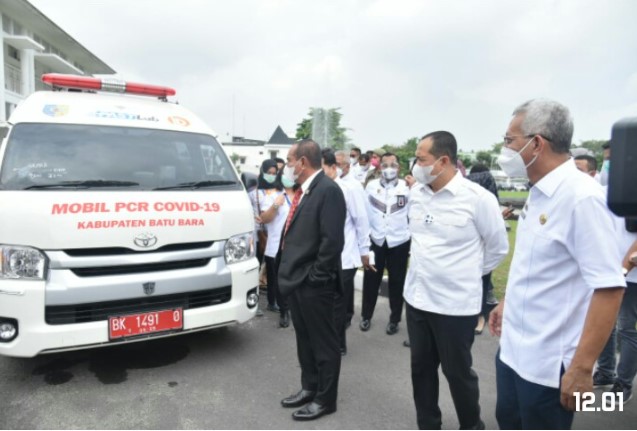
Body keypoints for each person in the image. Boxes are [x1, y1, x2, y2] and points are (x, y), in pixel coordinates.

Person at [490, 98, 626, 429]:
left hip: (548, 365)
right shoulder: (538, 191)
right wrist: (508, 301)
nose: (505, 149)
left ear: (537, 143)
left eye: (510, 141)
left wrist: (582, 367)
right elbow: (534, 263)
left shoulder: (582, 198)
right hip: (512, 352)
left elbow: (609, 288)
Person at [405, 131, 508, 430]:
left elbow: (498, 249)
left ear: (443, 161)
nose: (415, 165)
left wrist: (464, 274)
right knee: (421, 370)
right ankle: (428, 424)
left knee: (458, 373)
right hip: (417, 299)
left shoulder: (478, 199)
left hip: (454, 306)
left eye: (421, 159)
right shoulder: (417, 194)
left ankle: (471, 425)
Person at [277, 139, 346, 421]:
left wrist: (316, 278)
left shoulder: (328, 191)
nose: (287, 166)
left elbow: (332, 242)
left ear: (302, 162)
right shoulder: (305, 191)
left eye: (290, 161)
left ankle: (325, 399)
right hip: (298, 281)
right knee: (304, 339)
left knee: (324, 344)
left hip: (314, 284)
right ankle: (310, 387)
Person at [322, 149, 372, 355]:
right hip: (328, 256)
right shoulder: (327, 186)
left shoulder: (351, 188)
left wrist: (364, 250)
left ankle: (338, 345)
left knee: (337, 304)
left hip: (345, 256)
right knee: (331, 302)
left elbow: (361, 220)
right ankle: (333, 341)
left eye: (343, 162)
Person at [360, 152, 411, 336]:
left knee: (397, 282)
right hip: (377, 240)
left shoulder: (407, 187)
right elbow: (365, 215)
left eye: (393, 165)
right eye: (385, 165)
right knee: (371, 279)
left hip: (399, 241)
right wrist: (365, 242)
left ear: (399, 167)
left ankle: (394, 319)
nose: (389, 168)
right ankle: (366, 316)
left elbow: (413, 214)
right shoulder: (371, 186)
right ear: (379, 167)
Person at [256, 170, 296, 328]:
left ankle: (295, 309)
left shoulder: (303, 195)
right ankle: (284, 312)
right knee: (280, 282)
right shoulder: (274, 195)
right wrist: (275, 205)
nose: (290, 178)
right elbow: (264, 219)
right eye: (287, 174)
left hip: (297, 246)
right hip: (277, 246)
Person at [465, 163, 500, 335]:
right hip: (471, 255)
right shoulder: (475, 195)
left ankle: (479, 317)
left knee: (483, 283)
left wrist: (482, 266)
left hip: (482, 255)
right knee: (481, 284)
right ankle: (476, 316)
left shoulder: (485, 200)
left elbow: (498, 245)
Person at [248, 159, 281, 314]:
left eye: (274, 173)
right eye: (269, 173)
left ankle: (272, 302)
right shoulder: (252, 193)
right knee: (254, 269)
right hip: (256, 236)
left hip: (272, 236)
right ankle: (253, 304)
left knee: (272, 269)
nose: (271, 176)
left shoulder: (279, 193)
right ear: (262, 171)